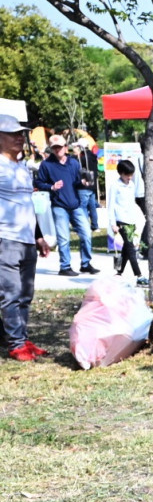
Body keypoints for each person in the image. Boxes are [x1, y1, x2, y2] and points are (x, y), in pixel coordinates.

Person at [0, 115, 52, 360]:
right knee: (10, 294)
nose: (20, 138)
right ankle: (16, 344)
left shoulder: (22, 167)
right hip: (5, 238)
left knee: (25, 294)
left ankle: (23, 338)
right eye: (13, 133)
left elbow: (28, 204)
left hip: (27, 240)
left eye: (21, 133)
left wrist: (39, 236)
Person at [35, 134, 98, 276]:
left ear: (65, 147)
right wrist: (51, 187)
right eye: (54, 148)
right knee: (64, 238)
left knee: (86, 233)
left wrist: (82, 183)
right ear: (51, 149)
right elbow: (38, 183)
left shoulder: (73, 162)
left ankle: (86, 264)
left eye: (60, 147)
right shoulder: (46, 164)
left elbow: (75, 181)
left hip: (75, 204)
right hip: (59, 206)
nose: (57, 150)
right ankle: (65, 266)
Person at [109, 159, 147, 285]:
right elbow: (111, 206)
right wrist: (113, 223)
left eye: (131, 174)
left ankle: (119, 272)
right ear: (121, 173)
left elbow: (132, 203)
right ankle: (139, 275)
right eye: (127, 174)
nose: (129, 177)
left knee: (126, 248)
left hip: (131, 220)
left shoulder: (131, 185)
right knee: (131, 248)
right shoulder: (115, 186)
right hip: (121, 221)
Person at [74, 139, 100, 235]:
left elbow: (79, 170)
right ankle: (95, 226)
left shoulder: (82, 158)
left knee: (82, 207)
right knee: (92, 206)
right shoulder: (93, 156)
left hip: (84, 186)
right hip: (92, 186)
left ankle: (84, 226)